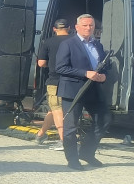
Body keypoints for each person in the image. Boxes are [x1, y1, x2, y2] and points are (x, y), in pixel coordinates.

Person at [54, 14, 111, 169]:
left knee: (104, 119)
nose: (88, 28)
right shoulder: (68, 44)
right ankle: (72, 159)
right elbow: (60, 67)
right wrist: (85, 73)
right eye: (85, 25)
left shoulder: (97, 45)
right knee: (71, 127)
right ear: (77, 27)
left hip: (93, 90)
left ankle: (86, 152)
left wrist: (104, 75)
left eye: (91, 25)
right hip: (73, 90)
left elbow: (104, 65)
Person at [35, 19, 70, 151]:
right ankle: (40, 135)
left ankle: (63, 141)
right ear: (70, 28)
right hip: (72, 80)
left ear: (54, 29)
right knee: (53, 110)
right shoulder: (74, 41)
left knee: (57, 109)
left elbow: (41, 63)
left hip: (54, 80)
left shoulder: (48, 42)